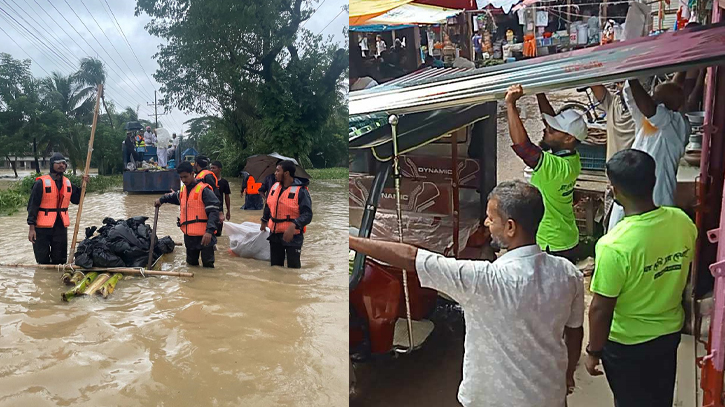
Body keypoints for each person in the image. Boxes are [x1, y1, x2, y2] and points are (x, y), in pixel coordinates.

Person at [350, 180, 584, 407]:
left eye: (491, 219)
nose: (486, 223)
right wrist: (568, 373)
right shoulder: (568, 273)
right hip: (550, 394)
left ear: (511, 227)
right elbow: (574, 332)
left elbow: (412, 257)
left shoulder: (484, 280)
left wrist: (350, 241)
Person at [585, 149, 697, 407]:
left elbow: (601, 308)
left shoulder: (614, 245)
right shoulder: (682, 222)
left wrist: (593, 351)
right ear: (654, 180)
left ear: (615, 190)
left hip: (627, 344)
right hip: (669, 333)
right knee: (660, 399)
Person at [505, 84, 587, 262]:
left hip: (551, 243)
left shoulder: (556, 168)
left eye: (552, 129)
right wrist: (539, 90)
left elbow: (524, 148)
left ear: (568, 138)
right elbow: (548, 122)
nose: (546, 129)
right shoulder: (571, 157)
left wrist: (511, 105)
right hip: (565, 237)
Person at [608, 78, 689, 230]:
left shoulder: (677, 124)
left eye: (657, 99)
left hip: (656, 198)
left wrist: (633, 77)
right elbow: (632, 99)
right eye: (652, 97)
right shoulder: (646, 120)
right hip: (631, 193)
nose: (652, 100)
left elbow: (650, 110)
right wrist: (631, 77)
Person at [154, 161, 220, 268]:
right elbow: (174, 197)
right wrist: (161, 200)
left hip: (205, 236)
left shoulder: (204, 190)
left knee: (208, 266)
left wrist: (209, 231)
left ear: (192, 174)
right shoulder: (183, 190)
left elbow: (213, 211)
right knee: (191, 265)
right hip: (189, 237)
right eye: (181, 178)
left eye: (185, 177)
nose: (183, 180)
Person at [27, 153, 89, 264]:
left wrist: (84, 185)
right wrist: (31, 229)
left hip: (60, 227)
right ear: (52, 165)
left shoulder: (68, 183)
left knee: (60, 260)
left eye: (64, 163)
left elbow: (77, 200)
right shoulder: (40, 183)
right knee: (42, 260)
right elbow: (32, 206)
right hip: (41, 228)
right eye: (58, 163)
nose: (62, 165)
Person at [260, 160, 312, 269]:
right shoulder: (274, 187)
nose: (275, 173)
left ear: (286, 173)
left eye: (278, 171)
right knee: (275, 268)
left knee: (293, 269)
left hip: (293, 236)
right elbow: (269, 205)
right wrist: (264, 221)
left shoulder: (301, 191)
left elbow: (307, 214)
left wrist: (294, 225)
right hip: (275, 234)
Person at [210, 161, 231, 235]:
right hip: (209, 209)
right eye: (211, 168)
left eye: (214, 168)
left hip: (219, 210)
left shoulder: (224, 182)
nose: (212, 170)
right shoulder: (208, 181)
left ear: (219, 169)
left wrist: (228, 211)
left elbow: (227, 197)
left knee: (218, 234)